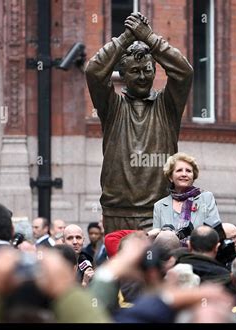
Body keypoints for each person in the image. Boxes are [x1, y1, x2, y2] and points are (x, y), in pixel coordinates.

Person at [85, 12, 193, 234]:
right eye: (134, 71)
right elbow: (94, 72)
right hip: (117, 212)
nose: (143, 76)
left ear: (155, 71)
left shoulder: (168, 106)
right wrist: (125, 38)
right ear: (122, 75)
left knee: (156, 268)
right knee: (118, 269)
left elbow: (184, 72)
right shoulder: (112, 107)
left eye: (147, 70)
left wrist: (150, 39)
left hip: (158, 211)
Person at [153, 152, 220, 236]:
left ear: (193, 176)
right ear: (171, 177)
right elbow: (156, 239)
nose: (184, 174)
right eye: (179, 170)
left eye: (188, 171)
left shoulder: (206, 198)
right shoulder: (159, 206)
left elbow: (216, 232)